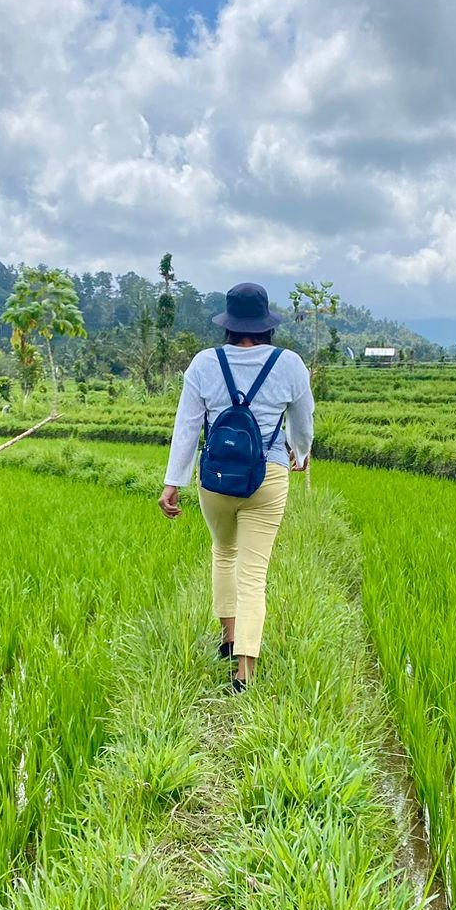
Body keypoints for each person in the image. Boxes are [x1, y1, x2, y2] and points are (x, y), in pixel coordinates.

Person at [160, 282, 314, 693]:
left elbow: (188, 427)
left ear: (228, 323)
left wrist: (172, 481)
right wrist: (300, 453)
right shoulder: (290, 364)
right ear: (266, 324)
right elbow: (303, 423)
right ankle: (244, 674)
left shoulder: (204, 363)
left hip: (215, 480)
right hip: (268, 477)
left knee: (223, 552)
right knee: (254, 574)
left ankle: (228, 640)